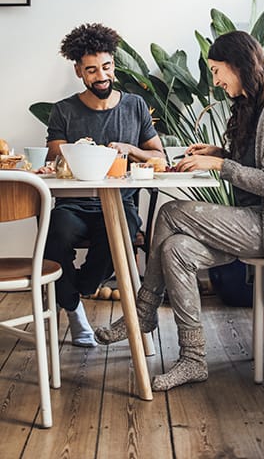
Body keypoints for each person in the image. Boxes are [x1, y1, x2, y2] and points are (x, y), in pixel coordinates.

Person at [95, 30, 264, 390]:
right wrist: (221, 154)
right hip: (252, 222)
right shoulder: (256, 104)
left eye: (218, 71)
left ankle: (141, 314)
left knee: (171, 213)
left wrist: (220, 166)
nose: (216, 81)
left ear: (239, 65)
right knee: (175, 250)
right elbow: (256, 165)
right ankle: (193, 360)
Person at [44, 23, 164, 347]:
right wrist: (76, 152)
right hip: (74, 205)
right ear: (79, 71)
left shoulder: (135, 106)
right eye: (92, 69)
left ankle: (78, 289)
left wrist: (130, 149)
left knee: (120, 234)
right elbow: (55, 156)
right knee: (54, 234)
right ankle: (74, 312)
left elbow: (158, 157)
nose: (102, 76)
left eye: (107, 67)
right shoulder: (64, 111)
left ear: (114, 65)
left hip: (119, 204)